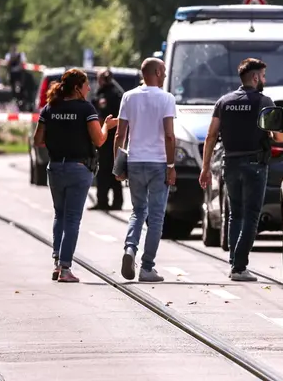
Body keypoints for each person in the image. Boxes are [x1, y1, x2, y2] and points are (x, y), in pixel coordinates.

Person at [199, 58, 283, 281]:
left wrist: (205, 167)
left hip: (230, 163)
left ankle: (234, 263)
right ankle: (239, 266)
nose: (264, 80)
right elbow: (278, 136)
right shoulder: (264, 101)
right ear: (255, 77)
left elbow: (210, 136)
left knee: (235, 214)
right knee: (251, 215)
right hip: (255, 165)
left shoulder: (223, 102)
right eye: (263, 76)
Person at [32, 68, 118, 283]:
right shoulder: (85, 109)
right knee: (72, 219)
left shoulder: (49, 108)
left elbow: (38, 140)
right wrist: (107, 126)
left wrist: (59, 139)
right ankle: (65, 268)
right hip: (78, 169)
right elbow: (99, 140)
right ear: (78, 87)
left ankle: (57, 261)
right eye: (87, 85)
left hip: (55, 168)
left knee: (59, 215)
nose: (90, 89)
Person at [113, 57, 176, 282]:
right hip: (158, 163)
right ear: (157, 72)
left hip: (135, 161)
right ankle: (147, 267)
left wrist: (117, 166)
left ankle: (130, 249)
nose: (166, 75)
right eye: (164, 71)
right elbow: (169, 135)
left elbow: (120, 135)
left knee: (138, 211)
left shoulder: (128, 97)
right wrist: (171, 166)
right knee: (156, 217)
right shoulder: (166, 98)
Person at [90, 68, 125, 210]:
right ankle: (109, 201)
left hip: (109, 138)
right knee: (110, 170)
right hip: (109, 138)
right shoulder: (107, 93)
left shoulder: (110, 95)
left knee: (107, 170)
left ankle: (107, 201)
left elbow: (104, 116)